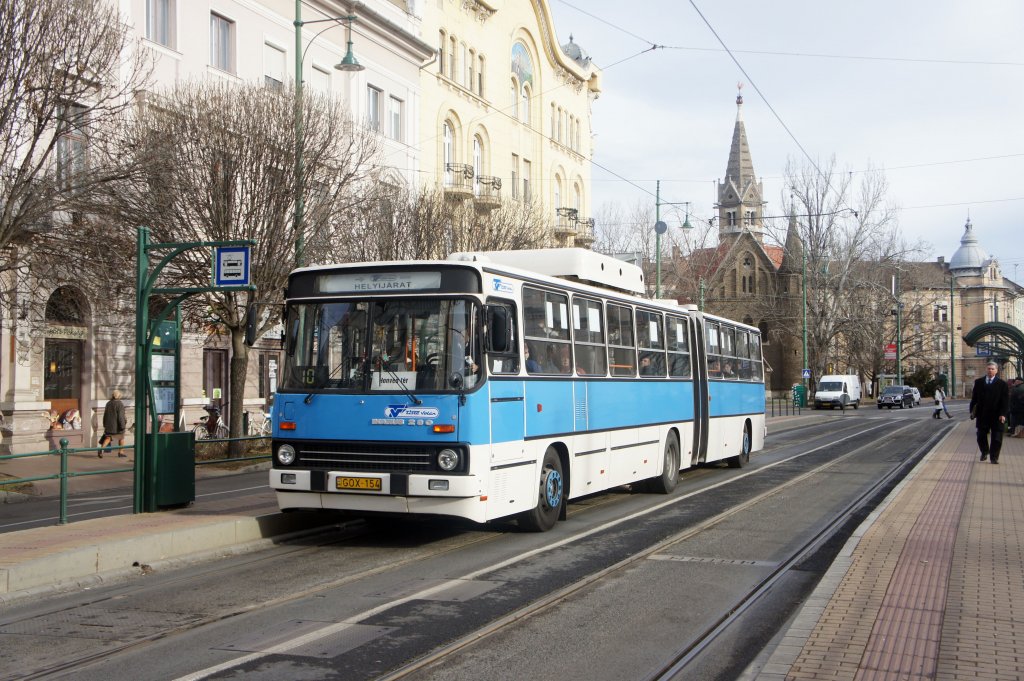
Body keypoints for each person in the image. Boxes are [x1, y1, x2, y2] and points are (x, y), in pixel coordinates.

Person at [969, 361, 1010, 463]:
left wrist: (1003, 414)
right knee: (980, 436)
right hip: (982, 414)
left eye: (992, 369)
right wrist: (972, 411)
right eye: (989, 368)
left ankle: (994, 457)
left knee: (997, 438)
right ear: (986, 369)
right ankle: (984, 451)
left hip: (997, 415)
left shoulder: (1002, 384)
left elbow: (1005, 401)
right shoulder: (978, 382)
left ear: (996, 371)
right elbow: (974, 399)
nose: (990, 370)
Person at [99, 389, 127, 458]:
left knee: (108, 438)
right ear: (119, 396)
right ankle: (121, 452)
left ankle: (101, 449)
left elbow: (105, 415)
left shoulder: (108, 403)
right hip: (118, 426)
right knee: (121, 438)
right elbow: (121, 416)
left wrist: (105, 424)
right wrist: (122, 425)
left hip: (109, 425)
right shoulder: (120, 404)